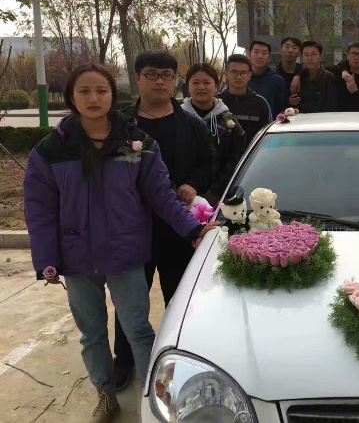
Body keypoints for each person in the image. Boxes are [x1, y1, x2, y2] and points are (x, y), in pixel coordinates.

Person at [24, 63, 217, 422]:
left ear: (113, 95)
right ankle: (105, 394)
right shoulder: (50, 151)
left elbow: (162, 196)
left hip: (125, 254)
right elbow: (40, 211)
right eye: (84, 91)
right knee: (92, 334)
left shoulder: (137, 143)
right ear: (71, 97)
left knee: (139, 330)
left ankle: (156, 399)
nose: (93, 98)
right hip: (76, 258)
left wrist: (194, 229)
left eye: (101, 90)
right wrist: (46, 258)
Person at [113, 50, 217, 391]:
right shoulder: (119, 124)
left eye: (166, 75)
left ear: (175, 81)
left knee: (181, 298)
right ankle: (124, 360)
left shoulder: (191, 125)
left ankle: (185, 357)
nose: (159, 81)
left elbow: (209, 163)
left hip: (178, 228)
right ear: (137, 79)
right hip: (132, 228)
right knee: (130, 301)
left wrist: (193, 183)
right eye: (151, 74)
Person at [182, 63, 247, 203]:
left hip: (220, 196)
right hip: (183, 194)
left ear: (216, 87)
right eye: (195, 83)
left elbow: (236, 158)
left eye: (207, 82)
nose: (201, 87)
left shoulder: (228, 120)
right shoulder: (178, 118)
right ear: (188, 87)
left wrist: (216, 191)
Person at [218, 54, 272, 145]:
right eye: (234, 72)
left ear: (249, 76)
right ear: (226, 75)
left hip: (253, 153)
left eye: (243, 73)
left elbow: (267, 136)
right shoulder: (217, 102)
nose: (239, 77)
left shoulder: (260, 103)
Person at [247, 40, 288, 115]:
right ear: (249, 55)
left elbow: (282, 108)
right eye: (256, 52)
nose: (260, 56)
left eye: (264, 53)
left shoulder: (277, 80)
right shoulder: (242, 78)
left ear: (269, 58)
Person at [296, 40, 338, 113]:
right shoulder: (300, 78)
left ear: (320, 56)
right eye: (306, 55)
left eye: (313, 54)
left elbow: (332, 106)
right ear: (302, 57)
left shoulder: (329, 77)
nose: (310, 58)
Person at [277, 37, 303, 104]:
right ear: (280, 50)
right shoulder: (273, 73)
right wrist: (286, 101)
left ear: (299, 53)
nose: (290, 51)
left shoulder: (304, 73)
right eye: (287, 47)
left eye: (294, 48)